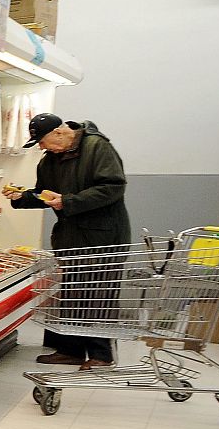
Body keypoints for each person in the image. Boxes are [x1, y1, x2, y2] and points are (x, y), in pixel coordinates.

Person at [7, 114, 132, 368]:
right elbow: (44, 194)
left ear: (60, 133)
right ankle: (70, 349)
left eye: (42, 141)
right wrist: (20, 197)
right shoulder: (49, 161)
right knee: (73, 294)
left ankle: (101, 356)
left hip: (104, 236)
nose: (41, 148)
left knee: (99, 296)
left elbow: (113, 187)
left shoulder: (97, 147)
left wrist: (69, 202)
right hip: (71, 237)